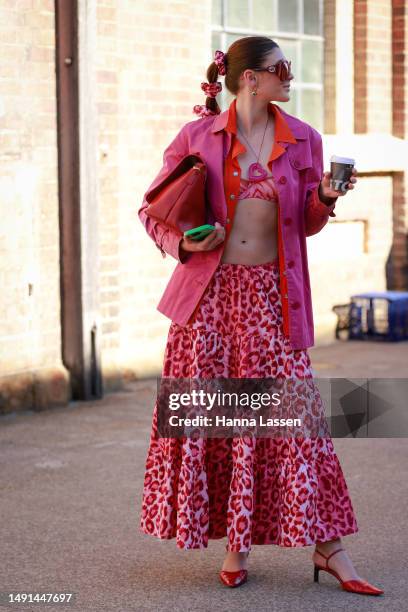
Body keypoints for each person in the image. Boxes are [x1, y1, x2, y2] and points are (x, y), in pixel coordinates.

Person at [138, 36, 383, 595]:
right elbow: (153, 213)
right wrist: (190, 245)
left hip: (275, 298)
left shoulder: (304, 139)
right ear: (250, 78)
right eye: (281, 70)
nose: (289, 79)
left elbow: (309, 221)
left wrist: (323, 195)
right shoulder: (198, 137)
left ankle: (332, 549)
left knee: (297, 423)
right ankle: (235, 544)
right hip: (210, 302)